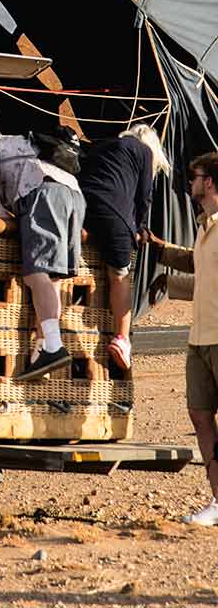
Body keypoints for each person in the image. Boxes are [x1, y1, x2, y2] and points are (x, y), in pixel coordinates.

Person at [0, 127, 85, 380]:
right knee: (53, 277)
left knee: (36, 272)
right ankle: (41, 351)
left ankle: (53, 345)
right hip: (74, 196)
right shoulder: (32, 146)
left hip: (42, 190)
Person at [151, 151, 218, 526]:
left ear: (208, 182)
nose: (189, 182)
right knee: (200, 414)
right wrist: (160, 253)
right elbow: (201, 269)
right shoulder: (204, 226)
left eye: (194, 176)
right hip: (199, 338)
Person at [79, 124, 170, 373]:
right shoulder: (144, 152)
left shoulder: (103, 148)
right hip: (113, 214)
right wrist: (138, 228)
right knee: (119, 275)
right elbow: (143, 196)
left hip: (82, 208)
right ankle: (121, 338)